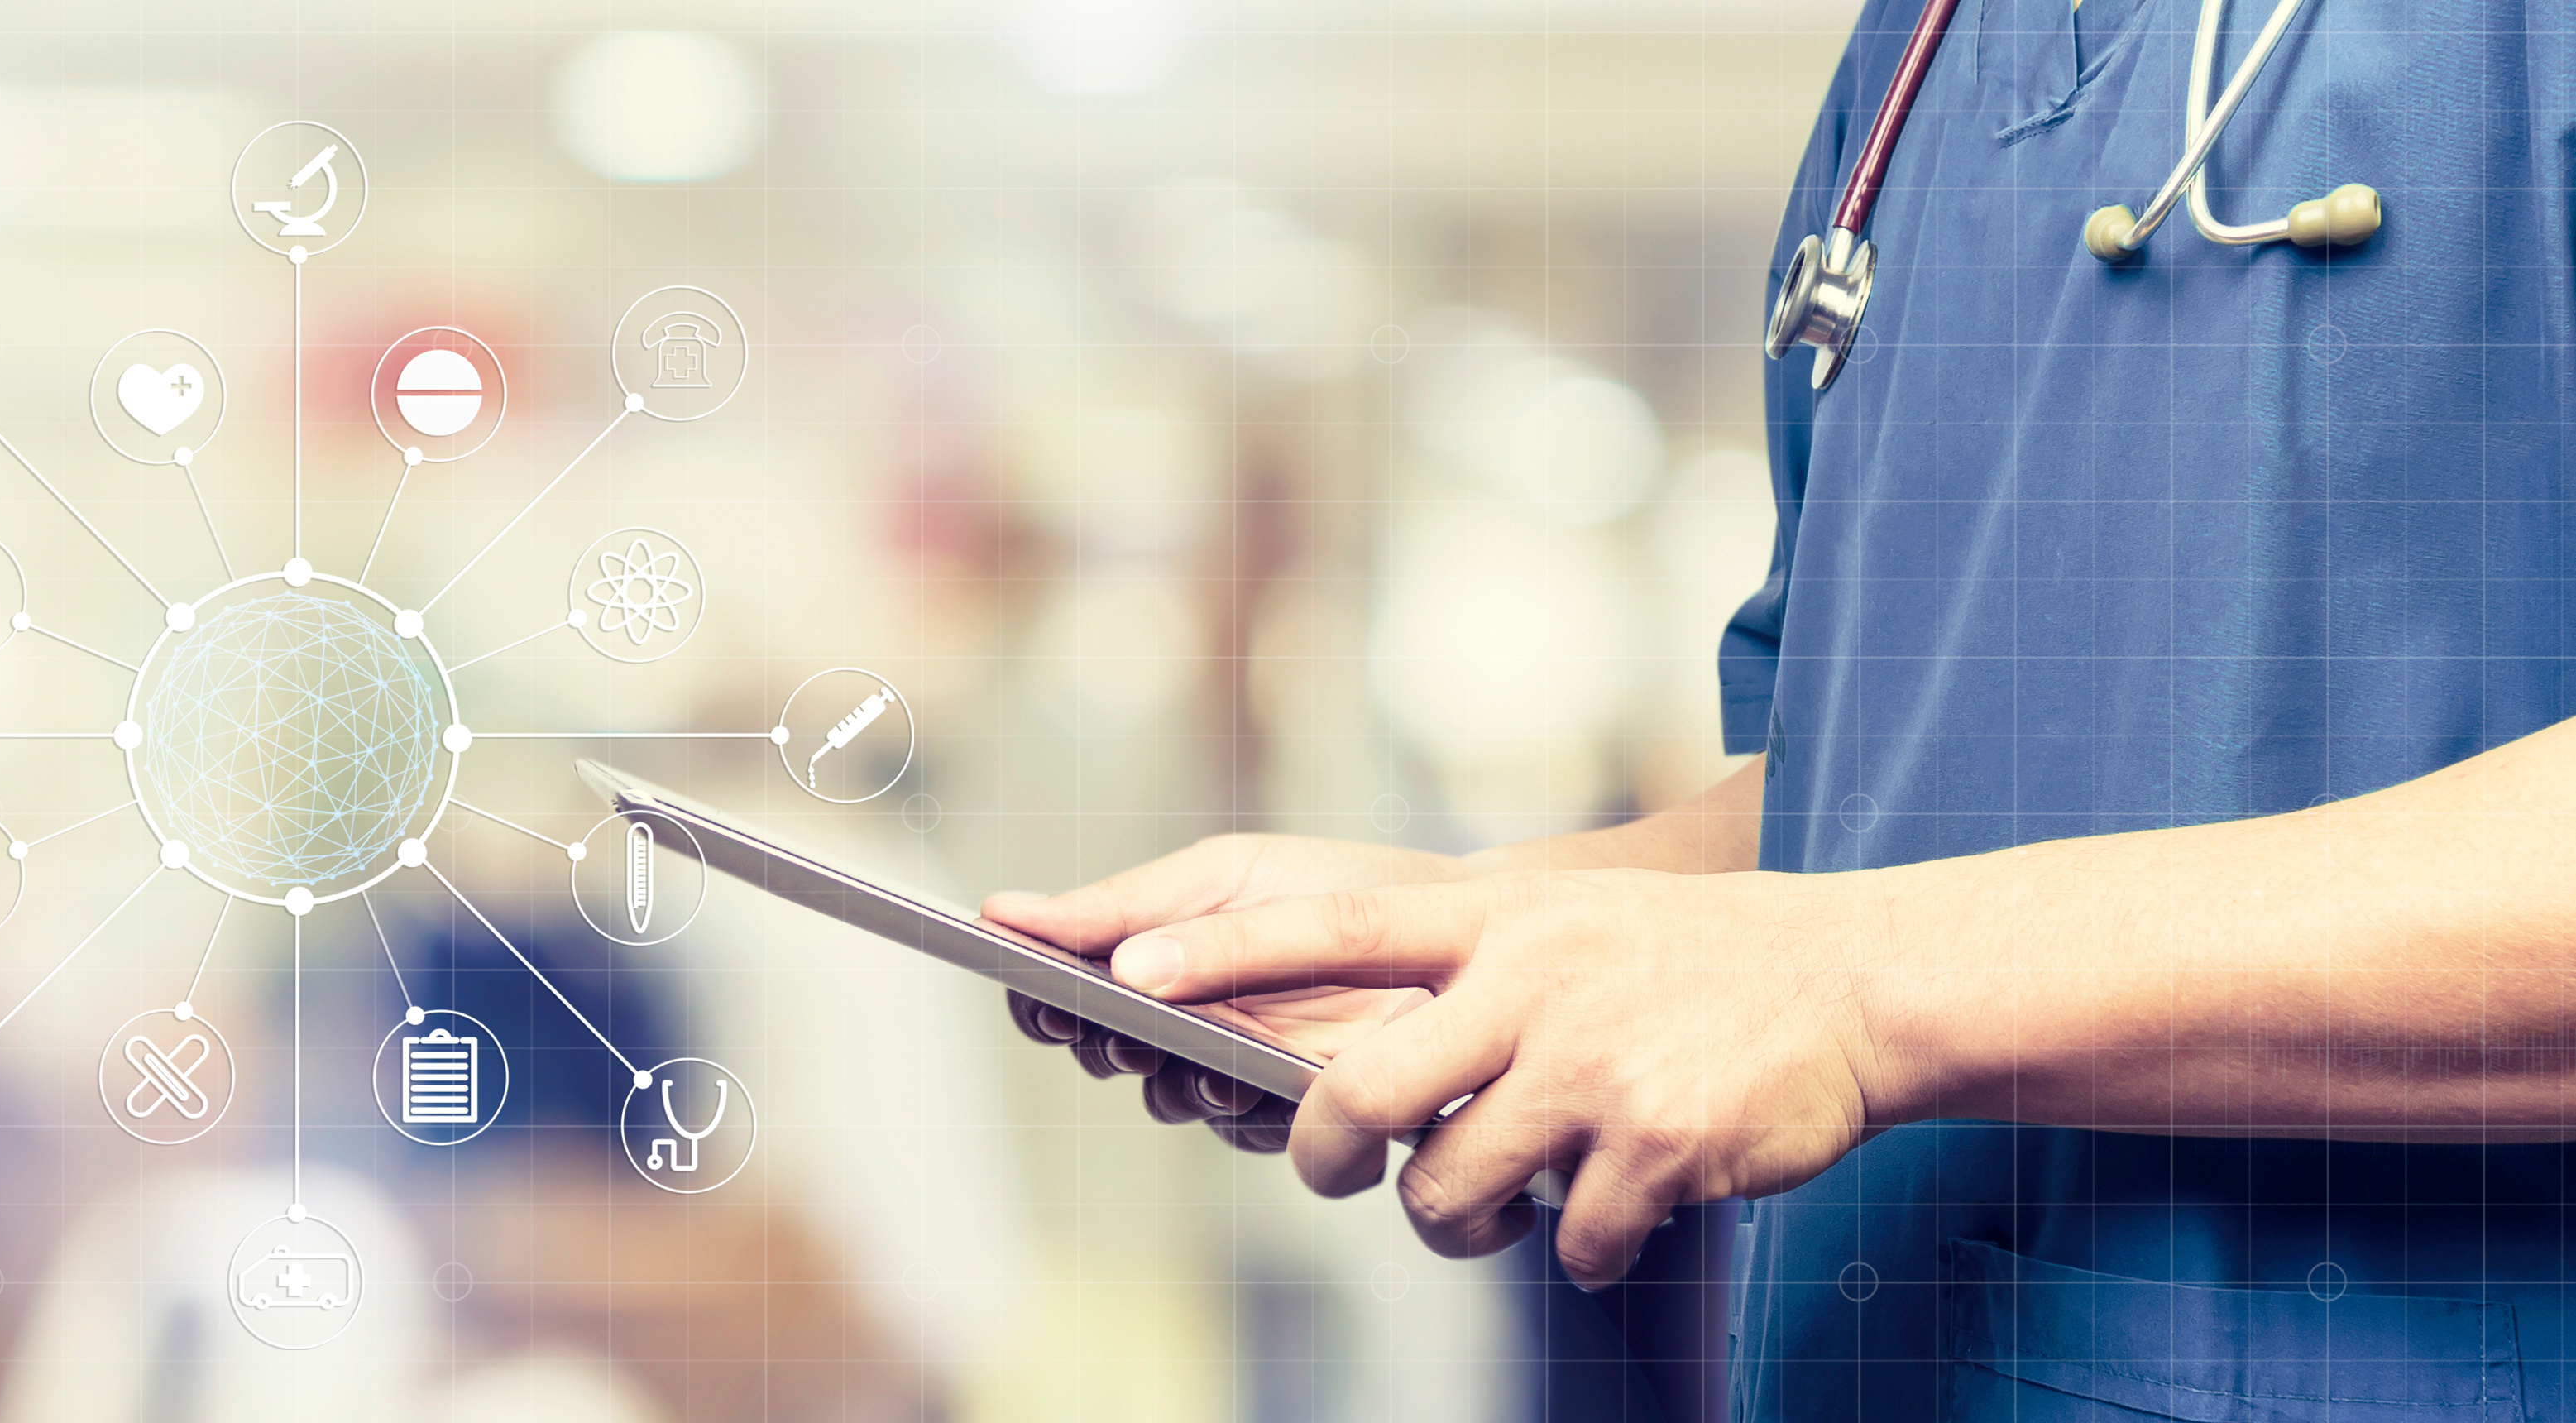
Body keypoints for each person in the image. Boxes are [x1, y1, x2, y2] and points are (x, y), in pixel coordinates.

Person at [994, 1, 2576, 1418]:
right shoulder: (1916, 61)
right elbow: (1884, 781)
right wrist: (1464, 936)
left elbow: (1856, 950)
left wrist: (1852, 987)